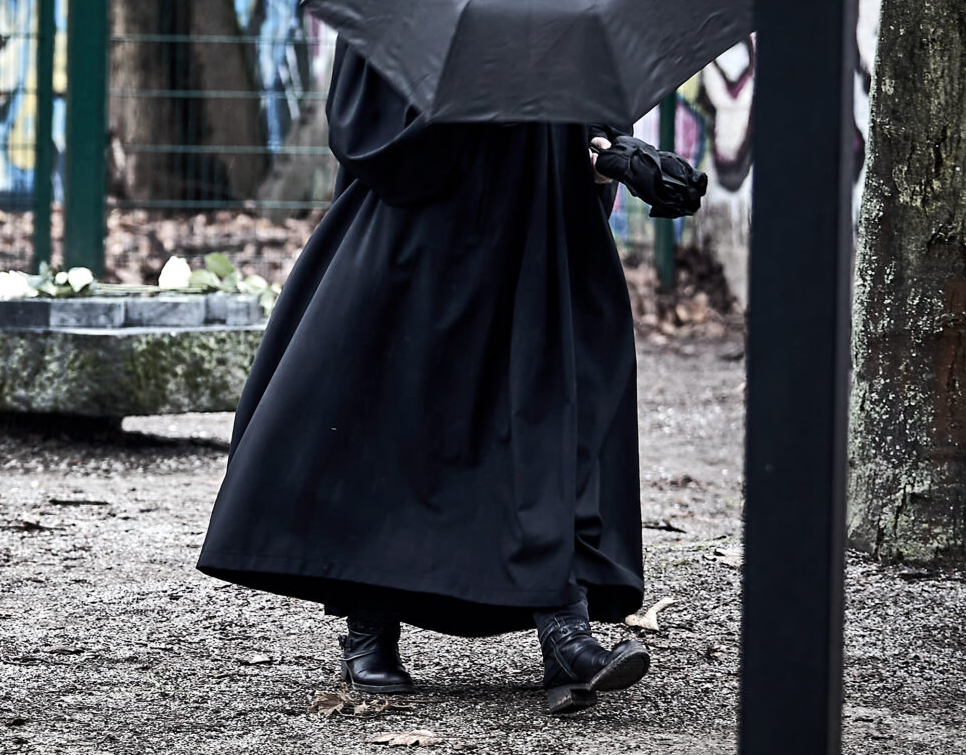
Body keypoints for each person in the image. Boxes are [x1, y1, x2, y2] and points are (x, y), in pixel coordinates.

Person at [197, 40, 706, 716]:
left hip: (539, 241)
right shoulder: (398, 6)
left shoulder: (556, 3)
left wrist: (616, 155)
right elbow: (365, 137)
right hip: (419, 240)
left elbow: (582, 119)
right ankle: (369, 625)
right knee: (389, 423)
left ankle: (566, 634)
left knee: (546, 420)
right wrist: (492, 97)